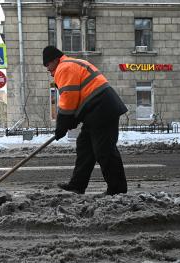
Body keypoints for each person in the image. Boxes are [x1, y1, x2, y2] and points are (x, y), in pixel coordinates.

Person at [42, 45, 128, 195]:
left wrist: (62, 124)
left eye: (48, 66)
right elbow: (78, 96)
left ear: (55, 60)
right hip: (96, 109)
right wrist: (71, 120)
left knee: (104, 150)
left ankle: (117, 190)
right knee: (85, 147)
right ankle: (77, 185)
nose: (49, 71)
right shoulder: (71, 64)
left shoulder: (64, 67)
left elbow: (68, 99)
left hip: (102, 108)